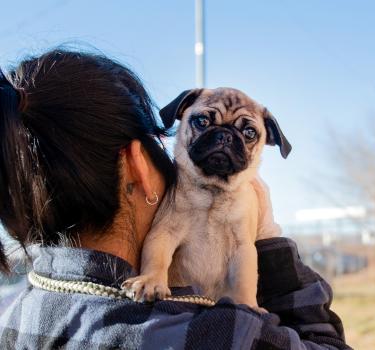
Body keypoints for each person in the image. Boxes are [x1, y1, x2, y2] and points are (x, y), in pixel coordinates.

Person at [0, 49, 352, 349]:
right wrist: (270, 241)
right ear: (138, 166)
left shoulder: (13, 315)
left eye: (244, 133)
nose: (225, 140)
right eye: (161, 148)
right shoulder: (217, 334)